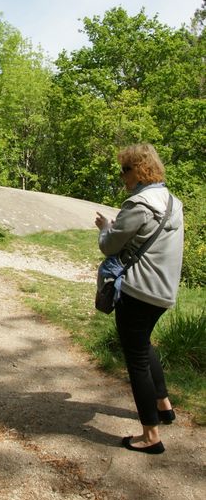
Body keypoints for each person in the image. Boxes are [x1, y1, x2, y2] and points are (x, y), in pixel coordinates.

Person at [95, 143, 183, 455]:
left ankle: (150, 436)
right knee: (143, 345)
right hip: (163, 292)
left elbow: (109, 246)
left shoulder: (139, 204)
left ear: (140, 170)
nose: (122, 176)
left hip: (137, 291)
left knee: (136, 361)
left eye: (125, 169)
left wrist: (105, 228)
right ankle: (164, 406)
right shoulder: (172, 202)